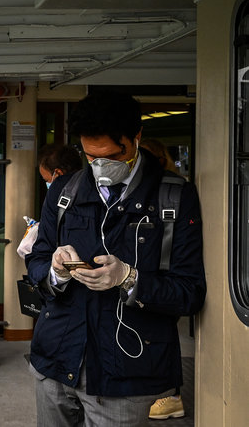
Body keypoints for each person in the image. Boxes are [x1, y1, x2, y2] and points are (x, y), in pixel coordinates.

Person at [25, 90, 205, 426]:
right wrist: (55, 272)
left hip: (125, 374)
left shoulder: (175, 197)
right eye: (90, 158)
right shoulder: (66, 192)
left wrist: (129, 278)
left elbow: (190, 292)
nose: (99, 167)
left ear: (135, 138)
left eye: (109, 157)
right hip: (55, 360)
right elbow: (36, 259)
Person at [139, 138, 186, 420]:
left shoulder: (172, 192)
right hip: (156, 273)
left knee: (163, 334)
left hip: (164, 277)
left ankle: (172, 396)